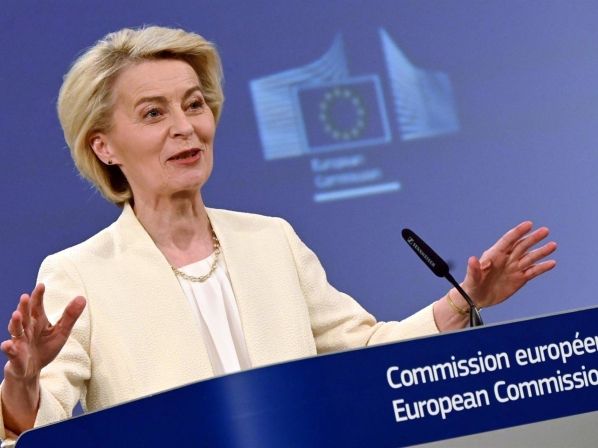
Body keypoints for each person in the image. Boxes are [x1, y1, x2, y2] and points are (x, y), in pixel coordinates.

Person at [0, 26, 557, 444]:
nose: (185, 127)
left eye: (194, 104)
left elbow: (365, 355)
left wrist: (464, 301)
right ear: (103, 146)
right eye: (153, 113)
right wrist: (22, 383)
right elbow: (35, 430)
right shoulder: (80, 273)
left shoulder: (271, 241)